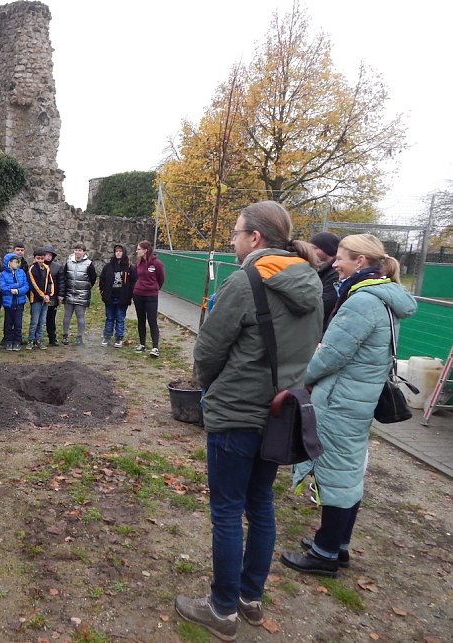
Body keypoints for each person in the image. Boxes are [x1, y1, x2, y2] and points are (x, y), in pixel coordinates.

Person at [175, 201, 322, 640]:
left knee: (227, 510)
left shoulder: (246, 280)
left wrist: (210, 385)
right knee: (260, 506)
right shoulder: (312, 283)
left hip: (237, 414)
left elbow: (207, 352)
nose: (233, 241)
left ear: (255, 238)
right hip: (279, 414)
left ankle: (221, 610)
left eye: (236, 233)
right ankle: (249, 599)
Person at [281, 234, 416, 578]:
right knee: (348, 473)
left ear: (360, 261)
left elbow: (331, 355)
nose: (335, 263)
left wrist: (297, 378)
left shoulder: (362, 302)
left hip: (340, 403)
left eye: (340, 257)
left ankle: (325, 553)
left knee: (337, 476)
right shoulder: (383, 297)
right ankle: (337, 546)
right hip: (358, 400)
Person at [132, 240, 165, 357]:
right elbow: (136, 276)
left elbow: (161, 279)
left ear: (145, 250)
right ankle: (142, 344)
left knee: (152, 321)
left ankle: (155, 347)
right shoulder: (138, 262)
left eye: (139, 249)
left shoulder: (157, 263)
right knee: (141, 320)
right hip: (138, 294)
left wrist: (154, 288)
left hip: (151, 296)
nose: (137, 251)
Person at [99, 244, 136, 348]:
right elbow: (102, 279)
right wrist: (103, 291)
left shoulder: (129, 267)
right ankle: (107, 336)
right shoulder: (108, 266)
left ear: (123, 252)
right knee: (109, 318)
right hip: (110, 297)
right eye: (116, 251)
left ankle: (119, 338)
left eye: (120, 251)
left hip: (122, 298)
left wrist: (130, 294)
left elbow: (133, 281)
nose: (118, 253)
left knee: (120, 318)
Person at [62, 242, 97, 345]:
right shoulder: (68, 262)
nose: (78, 252)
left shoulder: (89, 264)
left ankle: (79, 337)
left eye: (80, 250)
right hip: (69, 293)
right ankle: (65, 335)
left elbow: (93, 278)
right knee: (67, 316)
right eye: (76, 250)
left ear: (84, 252)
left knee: (80, 316)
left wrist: (85, 288)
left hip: (82, 294)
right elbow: (64, 276)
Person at [308, 232, 341, 333]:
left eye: (315, 248)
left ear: (327, 249)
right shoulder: (319, 269)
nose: (311, 251)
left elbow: (325, 303)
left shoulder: (336, 273)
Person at [0, 253, 29, 351]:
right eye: (15, 262)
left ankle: (17, 341)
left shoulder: (21, 273)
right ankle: (8, 341)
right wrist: (15, 287)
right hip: (9, 302)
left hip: (19, 302)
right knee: (8, 323)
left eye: (17, 262)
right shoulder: (3, 274)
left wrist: (18, 291)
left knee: (18, 323)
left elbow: (26, 286)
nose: (17, 264)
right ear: (9, 263)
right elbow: (2, 287)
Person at [26, 248, 54, 350]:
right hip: (36, 299)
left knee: (42, 321)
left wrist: (48, 295)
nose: (40, 261)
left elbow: (50, 283)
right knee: (34, 321)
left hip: (45, 299)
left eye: (42, 258)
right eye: (38, 258)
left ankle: (39, 339)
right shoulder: (31, 269)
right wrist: (43, 296)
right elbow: (33, 285)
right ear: (34, 259)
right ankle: (30, 340)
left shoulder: (47, 268)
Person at [42, 244, 65, 346]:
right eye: (46, 254)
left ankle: (52, 338)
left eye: (50, 255)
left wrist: (60, 295)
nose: (48, 257)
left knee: (51, 319)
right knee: (39, 319)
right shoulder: (38, 266)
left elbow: (61, 282)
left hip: (53, 297)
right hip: (40, 297)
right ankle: (37, 338)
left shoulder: (57, 267)